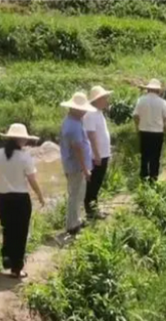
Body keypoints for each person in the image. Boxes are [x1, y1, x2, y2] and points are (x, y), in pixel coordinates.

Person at [0, 124, 45, 279]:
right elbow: (32, 180)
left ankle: (7, 257)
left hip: (2, 199)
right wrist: (40, 196)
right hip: (20, 199)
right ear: (21, 139)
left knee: (7, 229)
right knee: (20, 233)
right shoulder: (25, 157)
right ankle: (17, 268)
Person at [59, 92, 96, 236]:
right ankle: (72, 226)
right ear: (75, 109)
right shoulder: (73, 126)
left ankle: (76, 220)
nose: (85, 111)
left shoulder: (74, 121)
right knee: (75, 195)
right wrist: (85, 169)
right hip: (76, 166)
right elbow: (77, 149)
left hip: (75, 165)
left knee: (79, 193)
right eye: (83, 109)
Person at [133, 79, 166, 181]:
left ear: (148, 89)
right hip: (157, 132)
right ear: (158, 90)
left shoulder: (141, 100)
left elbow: (136, 116)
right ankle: (153, 176)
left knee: (145, 154)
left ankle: (143, 174)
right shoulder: (162, 102)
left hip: (144, 131)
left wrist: (138, 127)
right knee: (155, 155)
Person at [83, 86, 113, 220]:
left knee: (98, 182)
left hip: (102, 153)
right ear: (97, 100)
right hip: (97, 155)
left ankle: (94, 208)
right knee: (93, 183)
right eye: (105, 98)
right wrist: (97, 154)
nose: (107, 101)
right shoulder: (90, 114)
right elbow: (91, 135)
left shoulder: (98, 112)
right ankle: (91, 211)